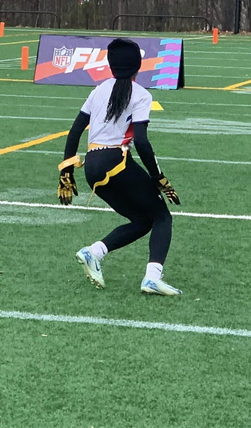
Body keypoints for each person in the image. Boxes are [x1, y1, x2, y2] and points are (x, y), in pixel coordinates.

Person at [59, 39, 184, 295]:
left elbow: (74, 131)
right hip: (116, 161)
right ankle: (152, 278)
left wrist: (66, 171)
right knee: (162, 216)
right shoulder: (141, 94)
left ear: (110, 65)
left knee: (141, 220)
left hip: (92, 167)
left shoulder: (98, 90)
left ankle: (93, 252)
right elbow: (142, 142)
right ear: (139, 65)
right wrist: (158, 177)